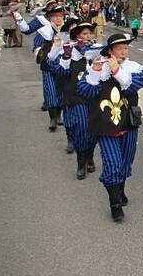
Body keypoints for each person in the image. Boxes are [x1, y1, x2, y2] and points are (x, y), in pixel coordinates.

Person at [78, 33, 143, 221]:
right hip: (105, 125)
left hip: (128, 123)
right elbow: (85, 91)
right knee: (112, 164)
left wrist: (117, 72)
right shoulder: (98, 69)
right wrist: (95, 72)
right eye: (120, 49)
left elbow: (133, 86)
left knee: (125, 162)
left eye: (126, 48)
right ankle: (115, 203)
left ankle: (120, 188)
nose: (124, 52)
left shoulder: (133, 69)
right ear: (110, 51)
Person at [49, 21, 102, 178]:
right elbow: (59, 72)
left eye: (89, 33)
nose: (87, 37)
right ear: (77, 36)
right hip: (75, 97)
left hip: (94, 97)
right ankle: (81, 162)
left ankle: (90, 156)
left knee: (93, 132)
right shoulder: (69, 51)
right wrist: (65, 55)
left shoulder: (97, 50)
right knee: (80, 131)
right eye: (84, 34)